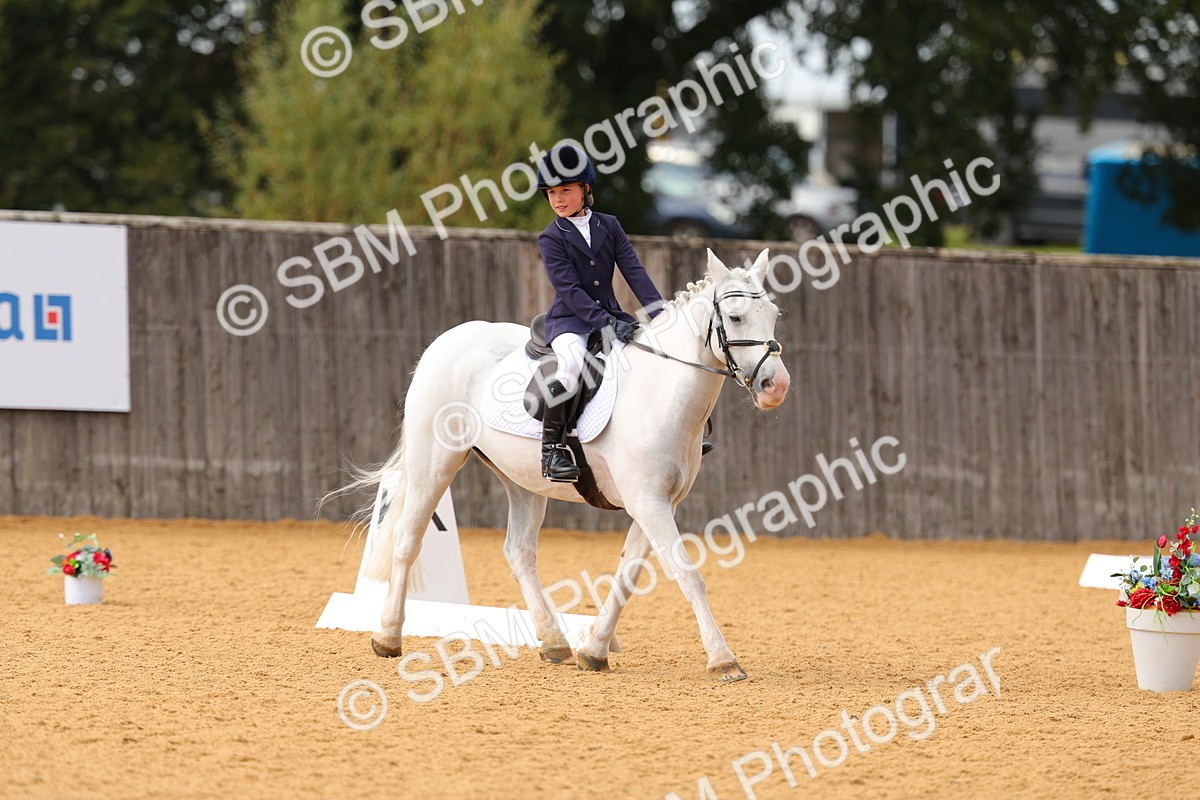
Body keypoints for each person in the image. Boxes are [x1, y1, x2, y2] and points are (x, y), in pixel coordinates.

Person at [534, 143, 664, 483]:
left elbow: (634, 272)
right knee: (572, 365)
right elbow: (569, 291)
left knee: (648, 357)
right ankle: (551, 451)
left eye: (565, 190)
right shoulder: (551, 237)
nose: (558, 199)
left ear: (585, 189)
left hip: (611, 316)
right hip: (570, 322)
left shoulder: (610, 225)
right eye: (551, 193)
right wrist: (605, 322)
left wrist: (661, 314)